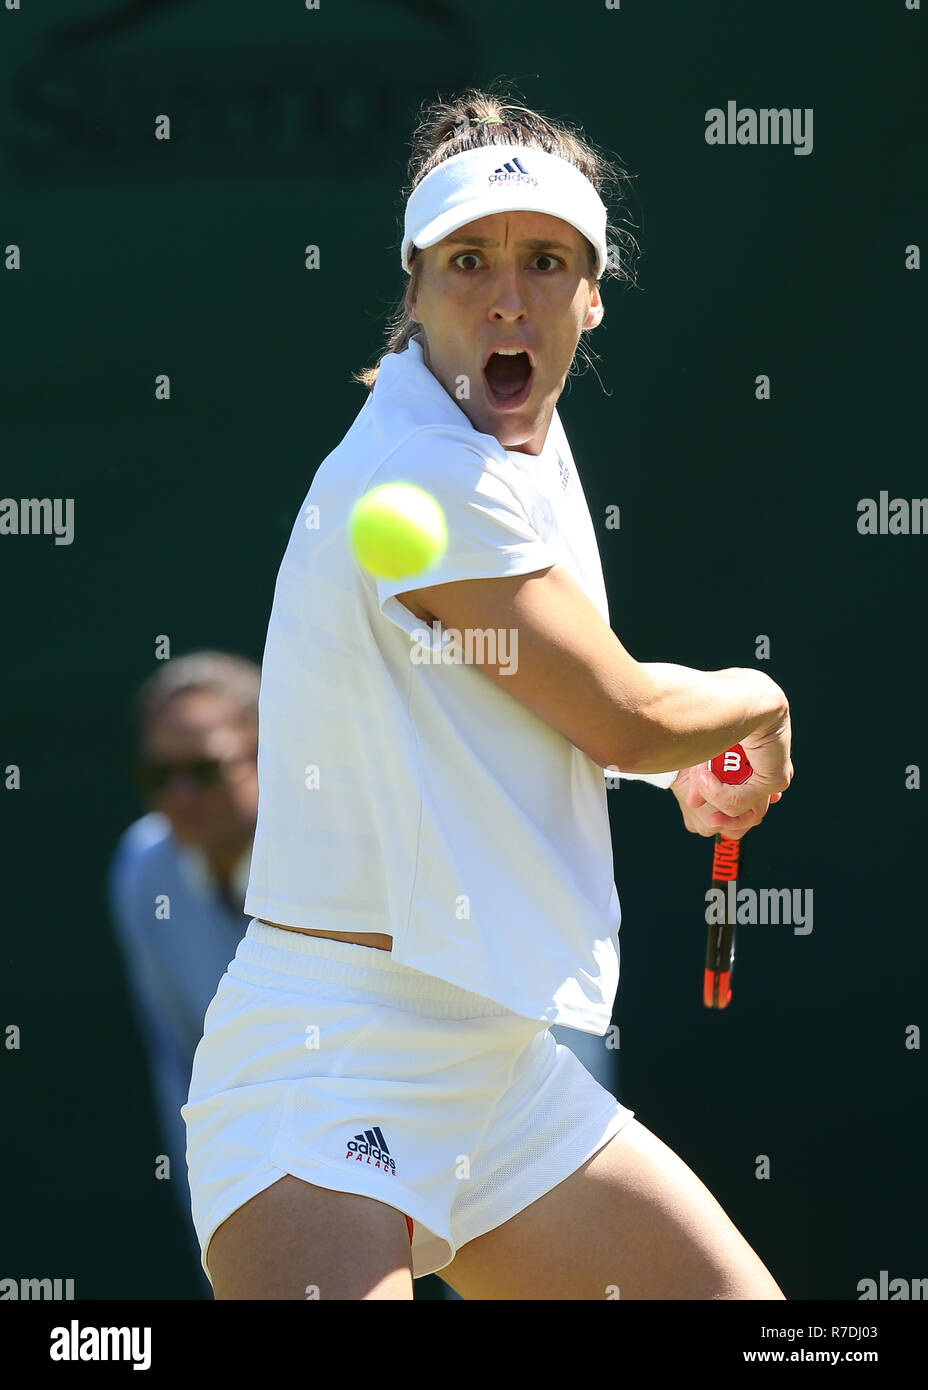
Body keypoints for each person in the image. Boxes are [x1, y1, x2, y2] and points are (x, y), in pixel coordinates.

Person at [182, 90, 793, 1301]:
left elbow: (534, 700)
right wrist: (757, 703)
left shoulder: (513, 446)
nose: (507, 296)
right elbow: (619, 706)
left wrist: (660, 760)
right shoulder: (419, 472)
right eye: (469, 260)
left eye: (544, 261)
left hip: (498, 1076)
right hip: (328, 1070)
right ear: (413, 291)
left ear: (592, 296)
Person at [107, 651, 261, 1293]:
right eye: (159, 774)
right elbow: (186, 1063)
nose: (181, 796)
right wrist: (218, 1221)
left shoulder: (350, 850)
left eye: (205, 769)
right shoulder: (145, 869)